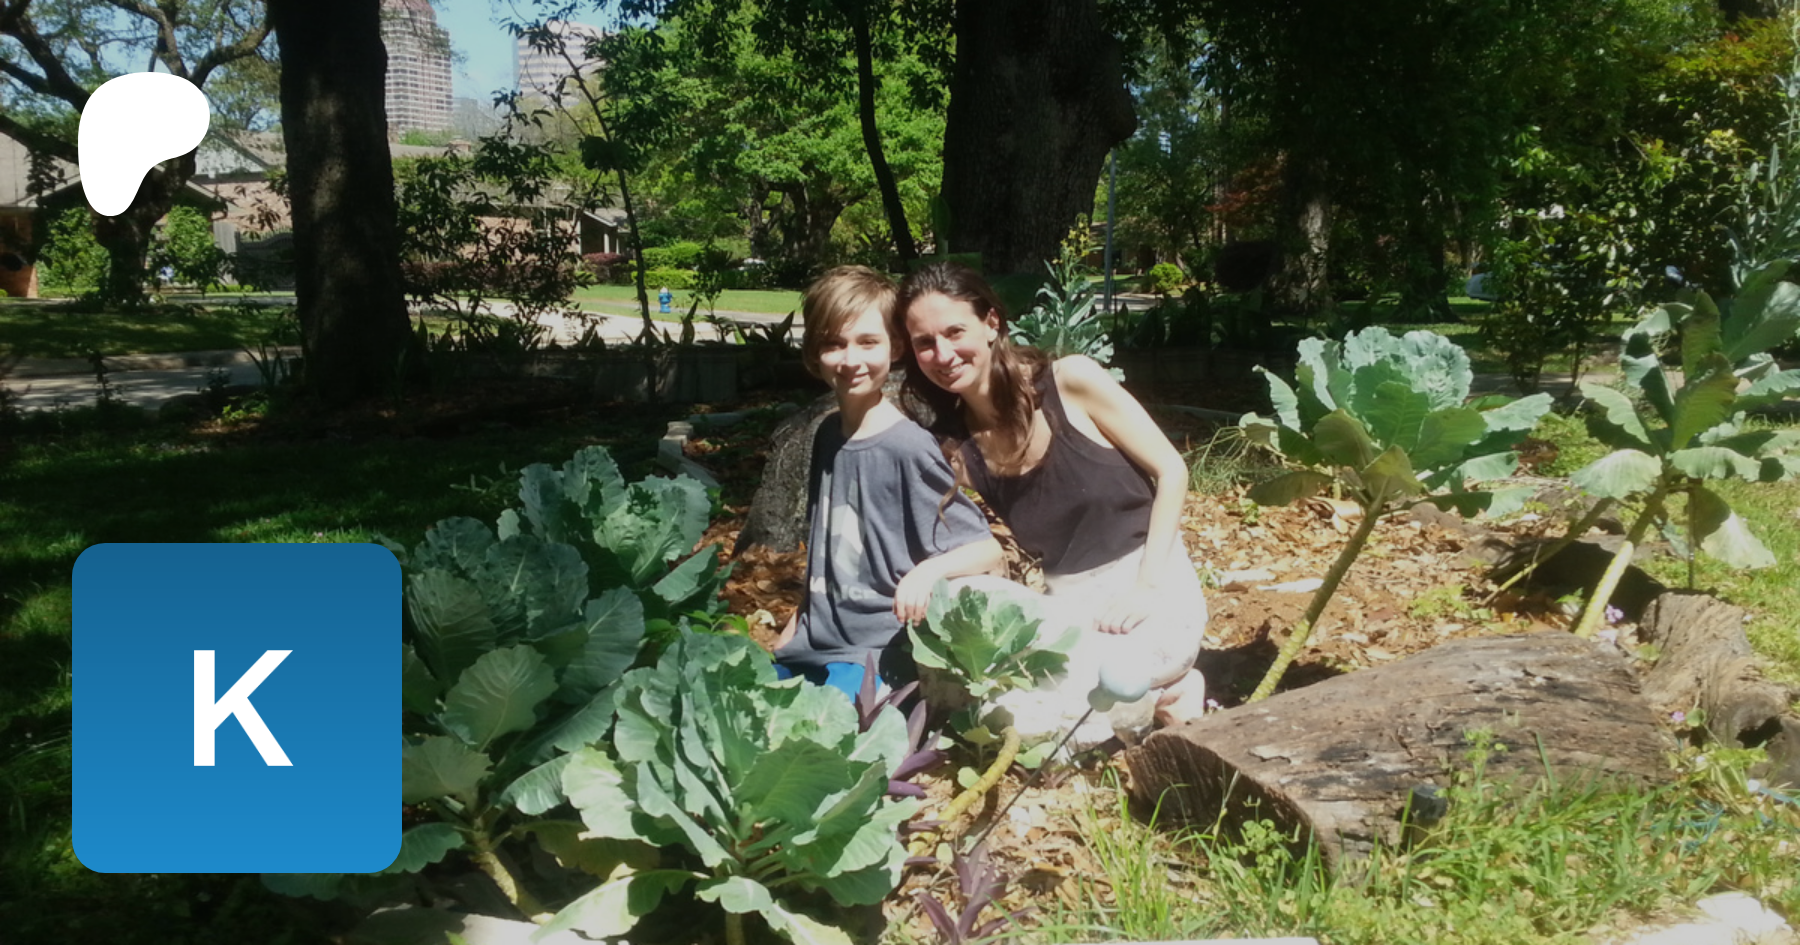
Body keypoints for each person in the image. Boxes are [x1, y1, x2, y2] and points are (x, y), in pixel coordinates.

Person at [893, 261, 1211, 732]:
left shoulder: (1070, 382)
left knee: (1066, 705)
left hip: (1151, 585)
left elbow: (1171, 470)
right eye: (924, 343)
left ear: (991, 323)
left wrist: (1146, 587)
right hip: (1070, 611)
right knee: (966, 618)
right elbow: (976, 550)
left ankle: (1163, 690)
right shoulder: (957, 451)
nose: (943, 354)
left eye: (955, 332)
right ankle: (1159, 697)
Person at [771, 265, 1005, 699]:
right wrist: (796, 622)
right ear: (813, 353)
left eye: (867, 342)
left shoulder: (906, 446)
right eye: (833, 344)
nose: (850, 360)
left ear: (895, 347)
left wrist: (928, 571)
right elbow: (828, 550)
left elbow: (986, 548)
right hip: (812, 640)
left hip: (877, 654)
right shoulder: (827, 434)